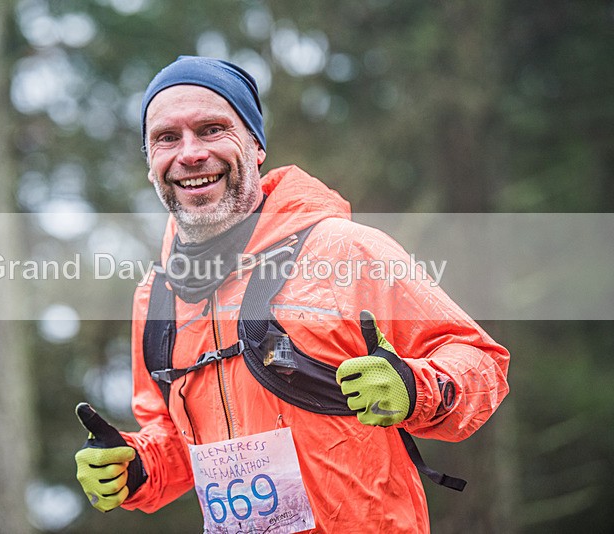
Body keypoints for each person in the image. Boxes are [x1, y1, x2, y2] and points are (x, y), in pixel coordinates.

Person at [75, 55, 510, 533]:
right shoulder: (156, 296)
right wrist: (137, 467)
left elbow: (481, 362)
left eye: (212, 129)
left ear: (256, 145)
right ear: (150, 164)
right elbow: (178, 437)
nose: (191, 153)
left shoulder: (344, 251)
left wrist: (413, 387)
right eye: (167, 138)